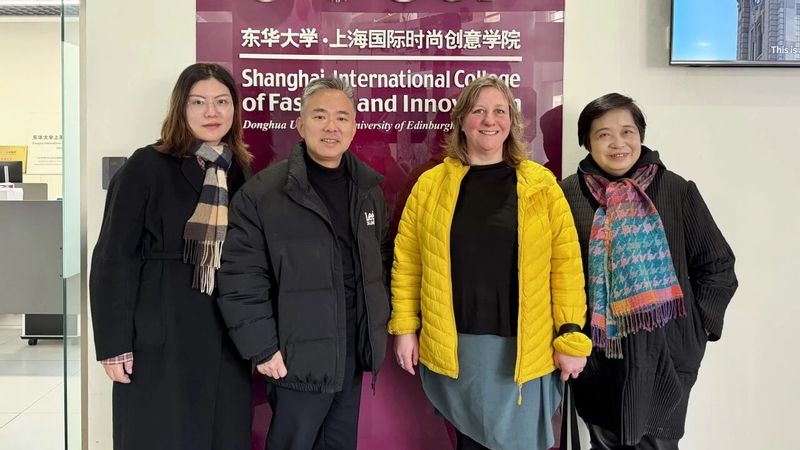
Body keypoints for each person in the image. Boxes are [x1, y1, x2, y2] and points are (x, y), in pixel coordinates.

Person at [389, 75, 591, 450]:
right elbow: (408, 263)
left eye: (500, 111)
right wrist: (404, 327)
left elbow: (566, 266)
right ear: (461, 121)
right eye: (478, 110)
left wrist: (570, 335)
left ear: (511, 122)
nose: (489, 120)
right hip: (457, 346)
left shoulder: (541, 186)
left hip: (524, 347)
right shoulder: (430, 186)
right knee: (470, 443)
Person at [217, 77, 392, 450]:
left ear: (354, 128)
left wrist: (375, 328)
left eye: (342, 117)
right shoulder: (262, 194)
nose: (332, 127)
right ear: (300, 124)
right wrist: (262, 347)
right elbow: (240, 277)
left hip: (350, 354)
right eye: (320, 116)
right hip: (295, 360)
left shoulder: (368, 191)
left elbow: (380, 260)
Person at [560, 93, 738, 450]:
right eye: (604, 134)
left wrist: (695, 330)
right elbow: (558, 273)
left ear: (640, 136)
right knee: (603, 442)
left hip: (665, 355)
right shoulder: (567, 195)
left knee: (658, 444)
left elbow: (717, 265)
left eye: (627, 131)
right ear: (587, 142)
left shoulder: (676, 190)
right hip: (598, 357)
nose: (618, 143)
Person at [90, 63, 253, 450]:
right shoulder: (146, 166)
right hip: (161, 331)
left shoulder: (239, 171)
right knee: (161, 433)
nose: (211, 112)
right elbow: (113, 256)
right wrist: (114, 344)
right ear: (181, 108)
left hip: (224, 332)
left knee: (223, 435)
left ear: (234, 110)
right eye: (198, 102)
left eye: (221, 102)